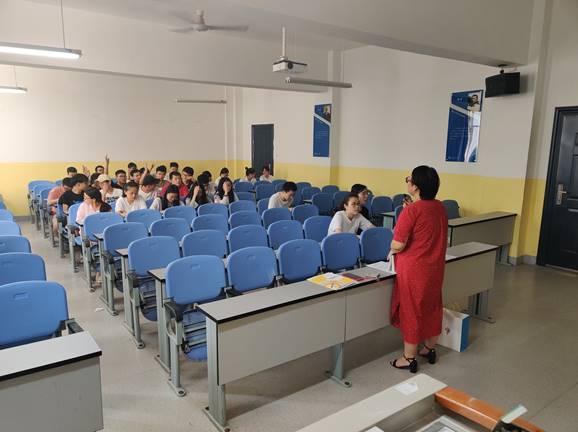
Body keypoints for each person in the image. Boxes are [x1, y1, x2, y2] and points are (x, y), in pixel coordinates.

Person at [389, 166, 448, 374]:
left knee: (411, 311)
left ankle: (409, 358)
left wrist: (392, 247)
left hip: (414, 270)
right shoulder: (440, 207)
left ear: (415, 187)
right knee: (432, 306)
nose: (407, 182)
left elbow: (398, 244)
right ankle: (429, 349)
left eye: (409, 179)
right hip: (435, 267)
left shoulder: (411, 211)